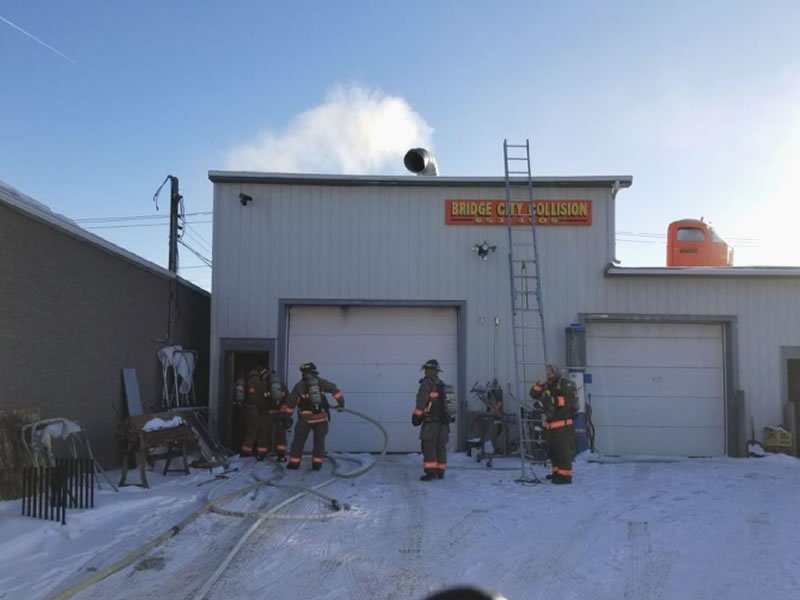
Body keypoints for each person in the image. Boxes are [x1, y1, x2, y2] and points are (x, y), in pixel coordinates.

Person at [283, 362, 345, 471]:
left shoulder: (299, 386)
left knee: (298, 441)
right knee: (319, 442)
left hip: (305, 419)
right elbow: (335, 390)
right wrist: (341, 403)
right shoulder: (321, 382)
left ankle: (294, 464)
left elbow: (291, 403)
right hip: (321, 418)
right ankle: (317, 465)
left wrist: (286, 416)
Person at [529, 363, 577, 484]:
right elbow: (533, 394)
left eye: (551, 371)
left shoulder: (565, 384)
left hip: (563, 425)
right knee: (552, 451)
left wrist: (551, 401)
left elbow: (570, 401)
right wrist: (541, 382)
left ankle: (565, 476)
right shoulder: (547, 385)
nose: (549, 373)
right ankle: (557, 473)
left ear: (557, 372)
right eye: (547, 371)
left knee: (562, 451)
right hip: (550, 426)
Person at [411, 359, 453, 481]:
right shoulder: (441, 383)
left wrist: (416, 416)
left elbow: (422, 401)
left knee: (429, 446)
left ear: (429, 370)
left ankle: (430, 472)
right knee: (441, 447)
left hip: (431, 423)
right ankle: (441, 471)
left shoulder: (427, 384)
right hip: (444, 424)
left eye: (426, 369)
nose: (425, 372)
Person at [239, 366, 268, 458]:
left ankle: (247, 451)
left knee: (251, 430)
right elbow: (255, 397)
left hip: (248, 408)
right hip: (253, 409)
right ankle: (246, 452)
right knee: (253, 430)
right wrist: (261, 406)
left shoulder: (249, 379)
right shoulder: (255, 380)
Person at [263, 369, 291, 462]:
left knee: (265, 433)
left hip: (270, 413)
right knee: (281, 435)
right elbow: (288, 398)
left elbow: (262, 400)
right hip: (281, 413)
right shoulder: (282, 385)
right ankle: (281, 455)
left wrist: (266, 409)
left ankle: (262, 454)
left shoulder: (266, 385)